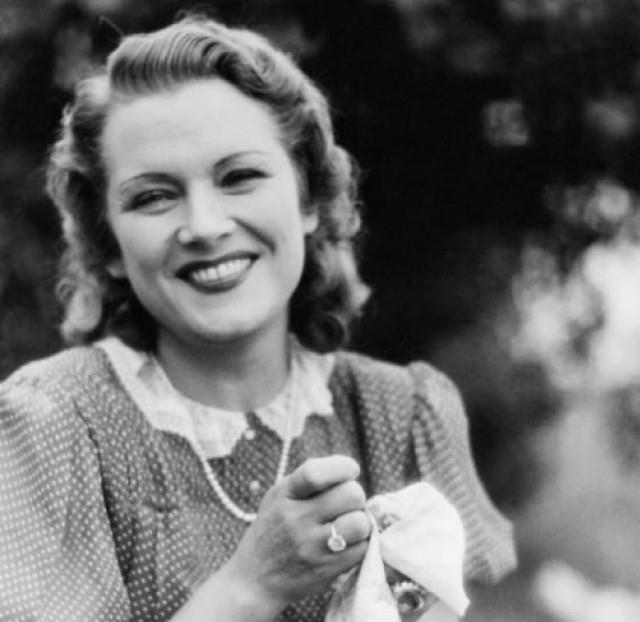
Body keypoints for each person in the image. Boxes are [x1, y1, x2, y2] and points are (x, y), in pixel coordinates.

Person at [0, 16, 515, 622]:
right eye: (154, 196)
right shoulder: (54, 426)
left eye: (240, 177)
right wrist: (252, 586)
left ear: (308, 199)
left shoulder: (400, 415)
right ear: (108, 243)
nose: (204, 226)